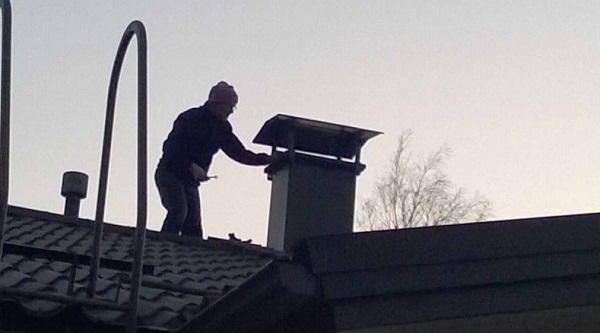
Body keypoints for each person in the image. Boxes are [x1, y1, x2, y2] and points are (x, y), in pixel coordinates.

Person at [155, 81, 270, 238]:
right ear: (216, 104)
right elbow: (170, 148)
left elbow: (239, 153)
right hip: (169, 174)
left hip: (189, 182)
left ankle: (190, 258)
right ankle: (162, 248)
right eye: (229, 106)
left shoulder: (223, 128)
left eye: (233, 106)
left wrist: (266, 159)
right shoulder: (190, 118)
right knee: (178, 212)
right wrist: (190, 166)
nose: (231, 111)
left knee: (194, 226)